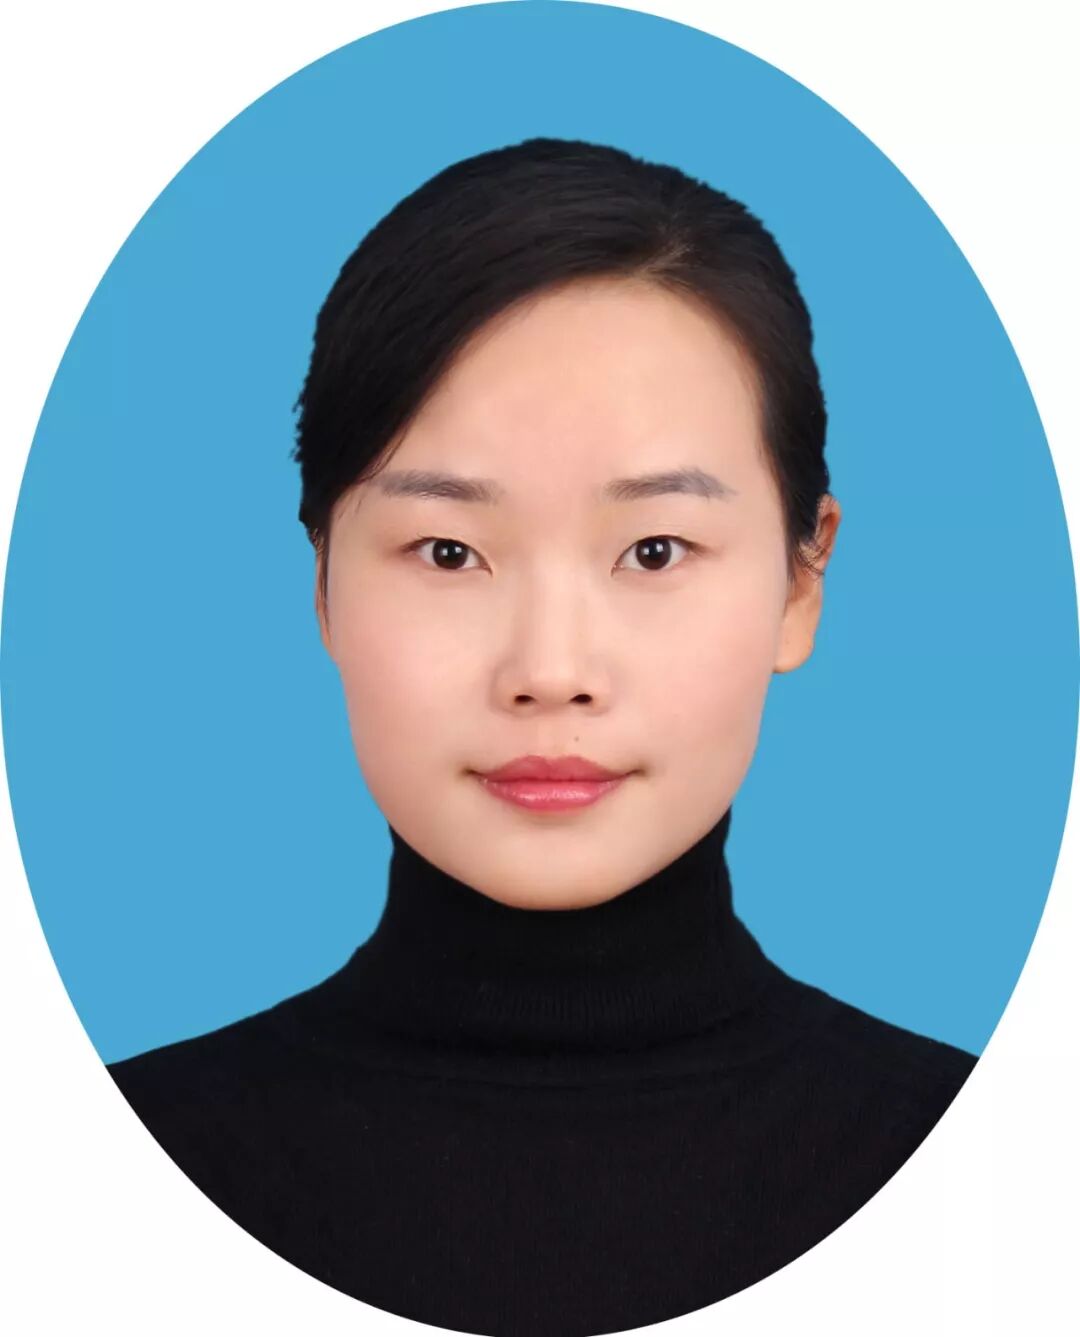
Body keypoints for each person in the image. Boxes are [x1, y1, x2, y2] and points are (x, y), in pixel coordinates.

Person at [107, 137, 977, 1336]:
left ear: (800, 580)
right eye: (449, 552)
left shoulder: (998, 1171)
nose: (550, 672)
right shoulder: (94, 1170)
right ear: (323, 586)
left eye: (654, 550)